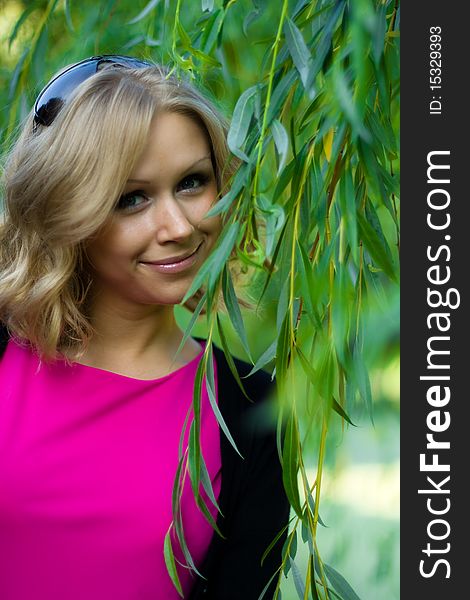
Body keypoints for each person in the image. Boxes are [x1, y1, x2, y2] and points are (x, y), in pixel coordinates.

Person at [0, 56, 290, 599]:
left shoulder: (252, 412)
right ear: (70, 210)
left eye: (192, 183)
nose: (179, 227)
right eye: (132, 198)